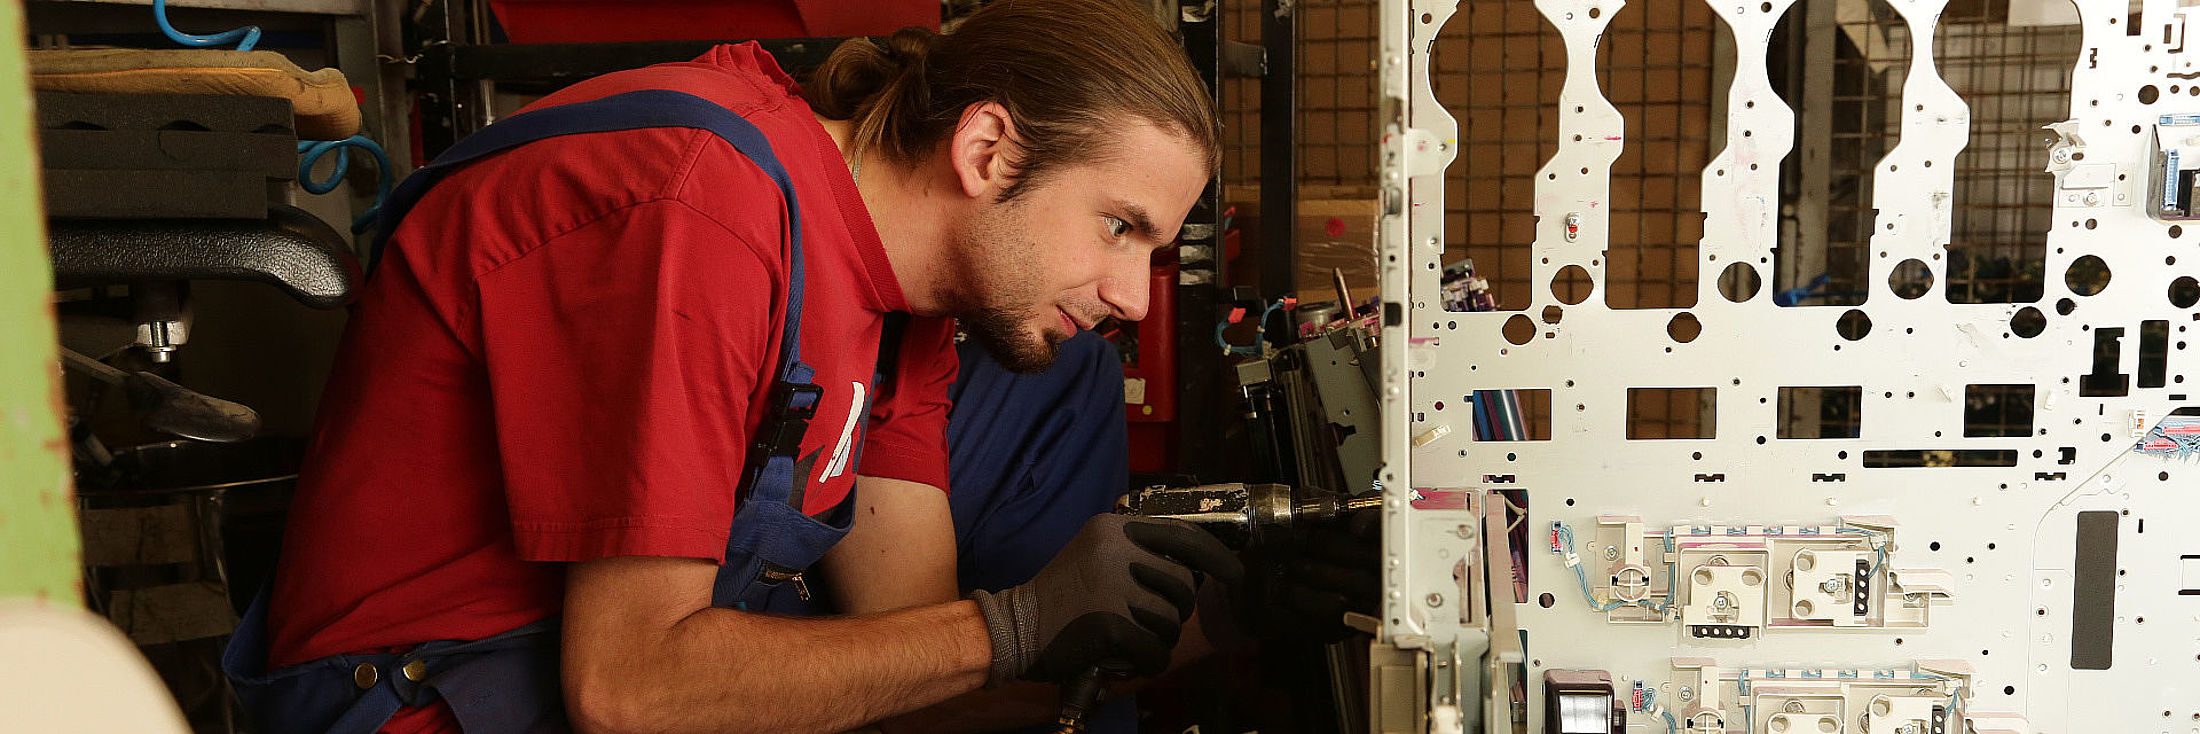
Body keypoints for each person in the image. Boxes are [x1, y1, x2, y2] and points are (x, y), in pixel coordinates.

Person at [224, 1, 1240, 732]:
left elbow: (910, 669)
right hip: (419, 697)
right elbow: (632, 691)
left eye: (1150, 252)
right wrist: (1017, 621)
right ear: (986, 152)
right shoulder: (701, 213)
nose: (1132, 295)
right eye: (1117, 226)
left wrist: (1222, 621)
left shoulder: (911, 300)